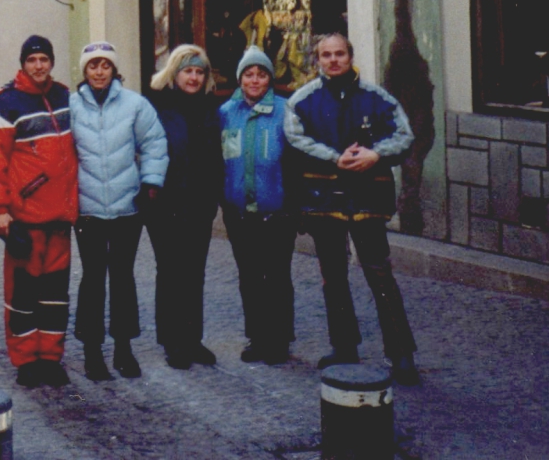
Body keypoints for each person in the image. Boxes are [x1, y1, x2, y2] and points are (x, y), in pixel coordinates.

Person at [284, 32, 420, 386]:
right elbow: (295, 137)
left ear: (350, 56)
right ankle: (344, 345)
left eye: (339, 53)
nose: (333, 60)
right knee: (333, 276)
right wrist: (333, 158)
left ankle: (401, 353)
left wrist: (377, 155)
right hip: (324, 200)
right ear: (317, 60)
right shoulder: (302, 100)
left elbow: (403, 136)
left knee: (380, 275)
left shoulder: (377, 98)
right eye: (326, 55)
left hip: (367, 199)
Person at [0, 35, 78, 388]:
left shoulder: (66, 97)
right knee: (22, 295)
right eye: (32, 59)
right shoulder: (4, 105)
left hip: (60, 220)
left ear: (51, 62)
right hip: (25, 219)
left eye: (44, 59)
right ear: (23, 63)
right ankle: (25, 360)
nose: (39, 65)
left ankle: (51, 358)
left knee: (54, 296)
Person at [69, 41, 168, 381]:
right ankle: (92, 351)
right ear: (84, 70)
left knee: (123, 277)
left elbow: (154, 142)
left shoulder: (134, 104)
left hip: (127, 207)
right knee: (93, 278)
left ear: (114, 70)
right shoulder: (71, 107)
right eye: (93, 65)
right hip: (87, 209)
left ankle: (124, 348)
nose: (99, 72)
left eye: (105, 66)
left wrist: (150, 181)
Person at [145, 43, 225, 368]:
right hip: (164, 202)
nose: (193, 77)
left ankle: (193, 339)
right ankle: (172, 340)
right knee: (171, 270)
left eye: (198, 71)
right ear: (174, 73)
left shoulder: (211, 107)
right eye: (187, 71)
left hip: (199, 201)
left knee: (195, 271)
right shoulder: (156, 106)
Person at [219, 46, 296, 365]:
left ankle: (279, 338)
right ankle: (256, 336)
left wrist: (293, 204)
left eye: (261, 74)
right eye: (248, 74)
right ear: (240, 78)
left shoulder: (286, 109)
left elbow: (294, 161)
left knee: (277, 275)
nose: (254, 80)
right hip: (240, 212)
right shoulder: (226, 111)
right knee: (249, 276)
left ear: (270, 78)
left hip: (276, 211)